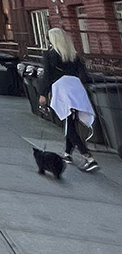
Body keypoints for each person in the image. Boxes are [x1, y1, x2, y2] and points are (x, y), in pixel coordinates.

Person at [39, 27, 99, 172]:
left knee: (68, 125)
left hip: (62, 89)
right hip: (76, 89)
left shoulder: (51, 54)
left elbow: (47, 75)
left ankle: (88, 157)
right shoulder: (73, 54)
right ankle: (67, 153)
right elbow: (83, 74)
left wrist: (42, 93)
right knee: (70, 122)